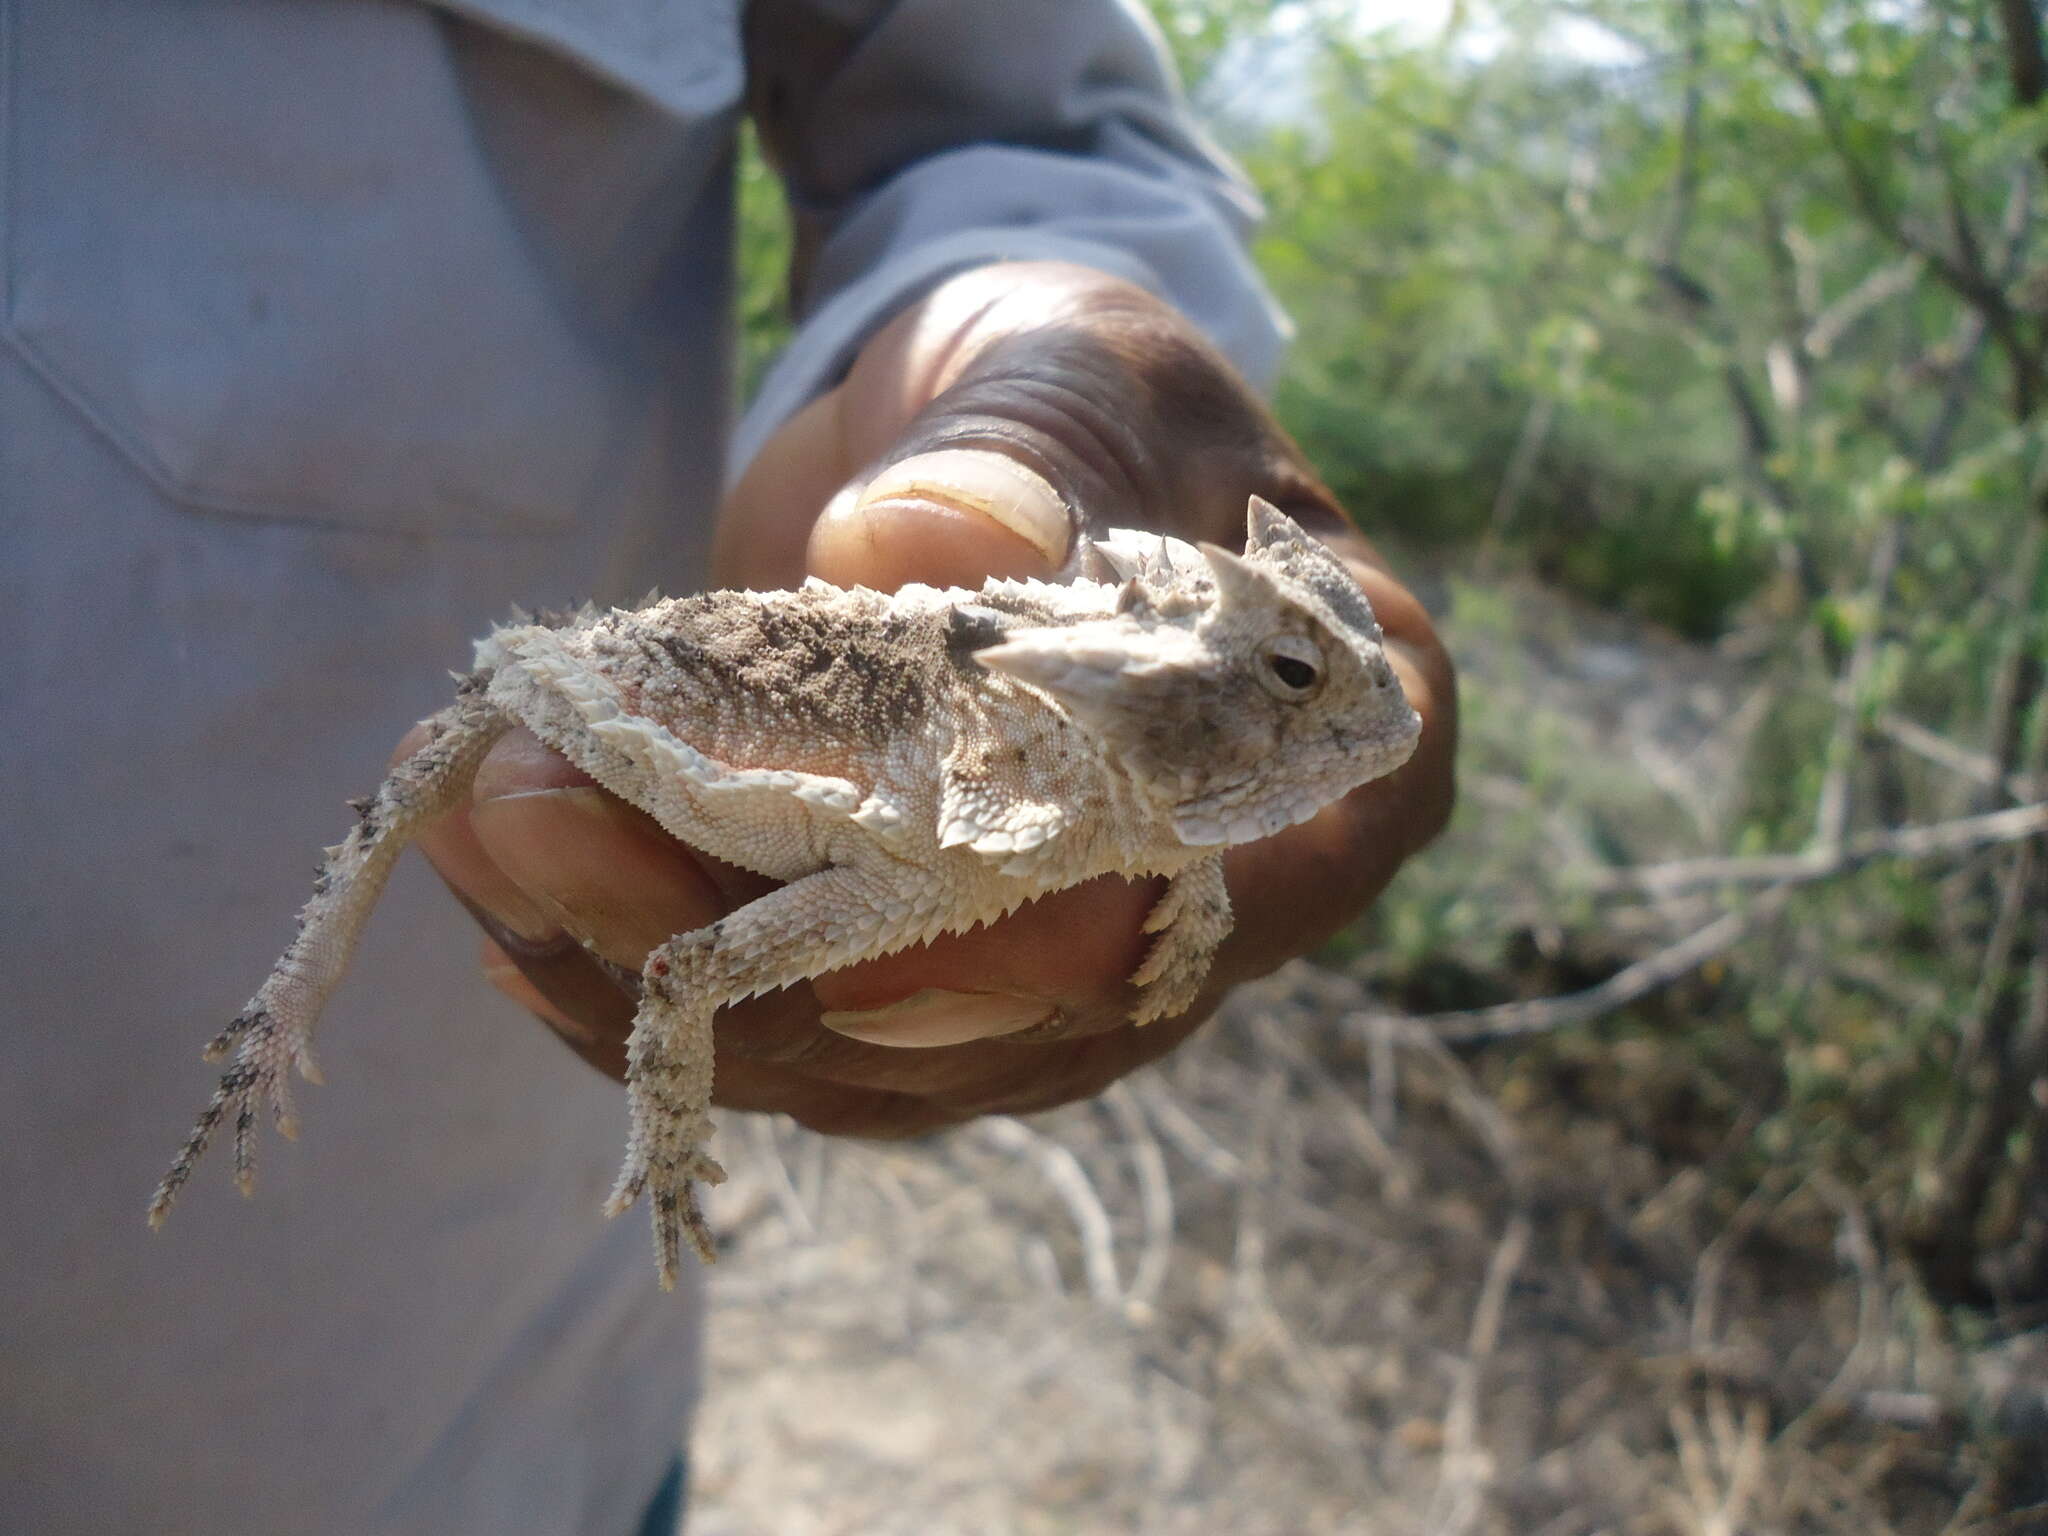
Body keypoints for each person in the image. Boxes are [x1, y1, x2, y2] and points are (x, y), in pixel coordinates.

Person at [0, 2, 1455, 1532]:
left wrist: (1023, 314)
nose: (1343, 717)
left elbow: (1009, 116)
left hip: (414, 1396)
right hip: (689, 683)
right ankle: (292, 992)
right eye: (1293, 679)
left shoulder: (1063, 798)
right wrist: (675, 1138)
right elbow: (692, 983)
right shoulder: (942, 826)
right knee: (474, 736)